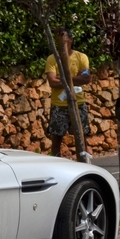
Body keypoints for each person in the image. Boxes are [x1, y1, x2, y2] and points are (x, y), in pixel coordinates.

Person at [45, 27, 92, 157]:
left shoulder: (81, 57)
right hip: (59, 105)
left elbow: (86, 78)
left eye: (63, 38)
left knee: (81, 138)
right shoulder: (52, 59)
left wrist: (63, 78)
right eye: (58, 38)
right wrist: (75, 79)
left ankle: (83, 163)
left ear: (70, 40)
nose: (61, 41)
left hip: (78, 103)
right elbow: (52, 82)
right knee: (56, 139)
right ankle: (55, 164)